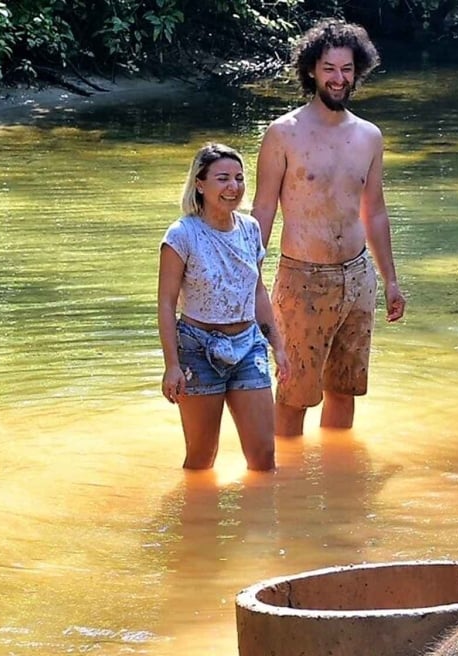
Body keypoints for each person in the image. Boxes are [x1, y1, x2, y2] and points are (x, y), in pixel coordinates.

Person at [252, 19, 406, 438]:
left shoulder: (369, 136)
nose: (338, 79)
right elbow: (263, 209)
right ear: (311, 71)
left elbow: (374, 212)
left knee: (345, 390)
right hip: (302, 276)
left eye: (346, 69)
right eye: (329, 69)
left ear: (358, 71)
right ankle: (286, 488)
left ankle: (339, 485)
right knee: (294, 393)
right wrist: (249, 278)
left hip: (358, 278)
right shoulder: (283, 134)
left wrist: (391, 280)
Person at [158, 142, 287, 471]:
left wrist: (278, 348)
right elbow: (166, 303)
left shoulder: (250, 229)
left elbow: (258, 291)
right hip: (197, 349)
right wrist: (172, 365)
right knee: (202, 458)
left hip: (248, 346)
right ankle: (198, 521)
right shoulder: (182, 234)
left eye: (240, 178)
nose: (234, 187)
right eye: (223, 178)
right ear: (199, 184)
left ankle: (261, 522)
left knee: (264, 458)